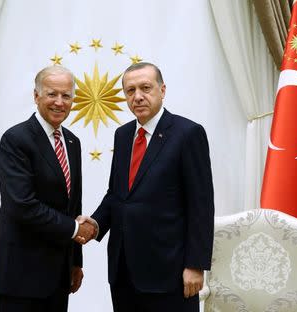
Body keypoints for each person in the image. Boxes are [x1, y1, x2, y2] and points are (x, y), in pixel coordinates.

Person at [80, 62, 214, 311]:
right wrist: (95, 225)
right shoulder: (122, 135)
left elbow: (201, 205)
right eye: (130, 91)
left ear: (162, 91)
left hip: (170, 271)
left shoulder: (188, 133)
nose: (138, 96)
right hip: (123, 270)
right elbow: (118, 195)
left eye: (145, 88)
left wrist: (196, 265)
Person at [0, 65, 96, 312]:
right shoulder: (16, 139)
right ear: (36, 96)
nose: (59, 102)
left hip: (58, 276)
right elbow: (22, 205)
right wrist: (75, 229)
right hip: (20, 277)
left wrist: (75, 261)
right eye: (52, 94)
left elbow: (73, 206)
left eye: (66, 95)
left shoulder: (72, 141)